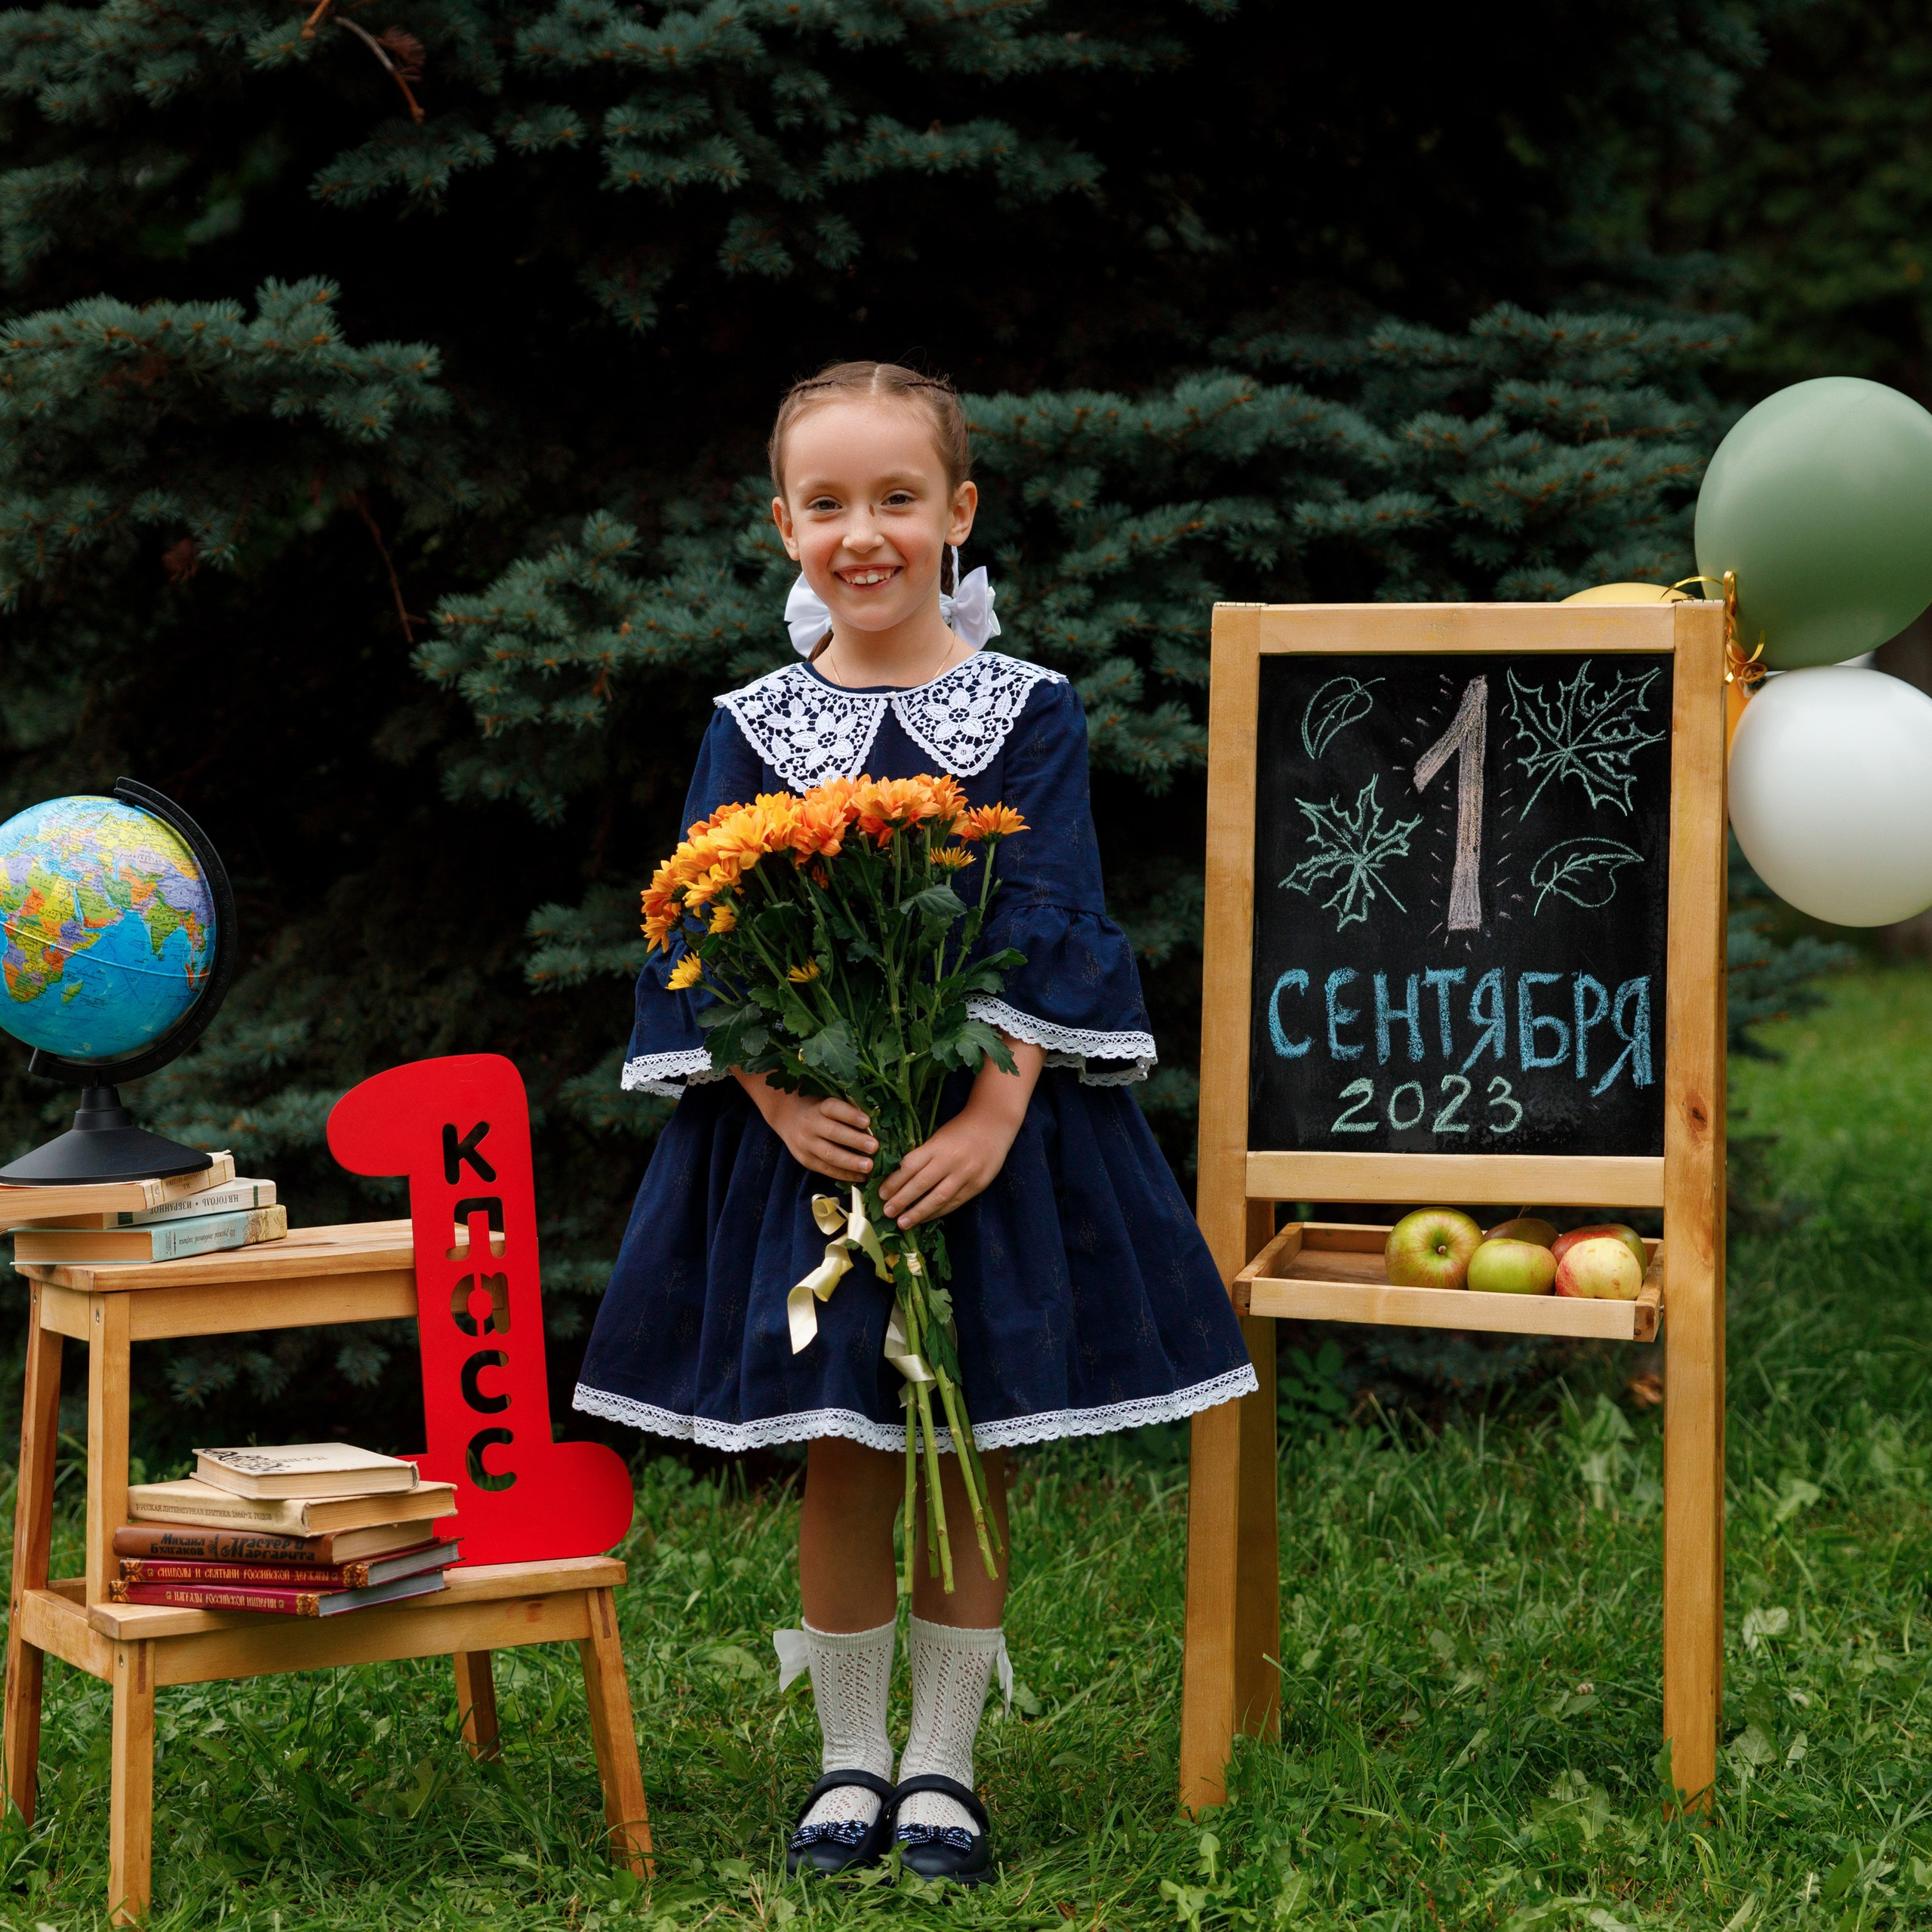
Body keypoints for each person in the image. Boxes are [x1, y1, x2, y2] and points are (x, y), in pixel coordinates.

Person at [575, 360, 1257, 1886]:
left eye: (896, 498)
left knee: (964, 1436)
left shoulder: (1027, 713)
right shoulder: (753, 726)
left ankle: (941, 1761)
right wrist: (776, 1094)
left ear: (958, 512)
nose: (861, 533)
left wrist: (996, 1113)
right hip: (809, 1144)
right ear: (782, 525)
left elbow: (1049, 910)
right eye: (827, 504)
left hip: (970, 1142)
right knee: (841, 1443)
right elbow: (702, 926)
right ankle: (843, 1757)